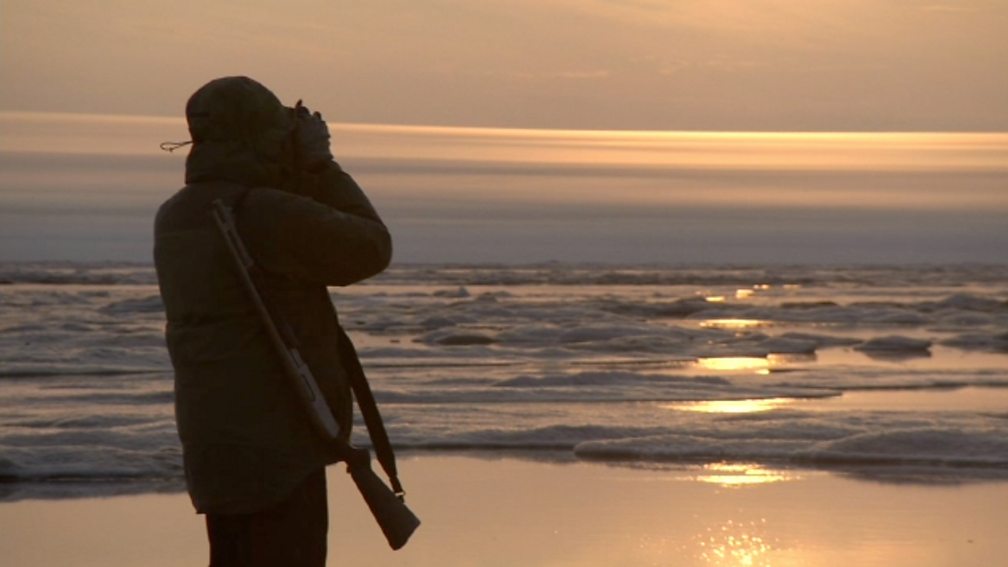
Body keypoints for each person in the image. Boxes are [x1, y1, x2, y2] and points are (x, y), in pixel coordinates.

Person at [154, 76, 392, 566]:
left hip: (217, 441)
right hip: (278, 448)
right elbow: (369, 248)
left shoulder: (179, 213)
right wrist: (320, 165)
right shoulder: (258, 211)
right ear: (261, 137)